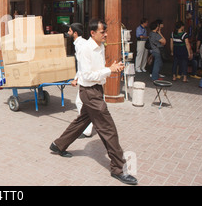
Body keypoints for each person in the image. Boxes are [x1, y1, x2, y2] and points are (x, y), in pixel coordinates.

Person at [49, 19, 137, 185]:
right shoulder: (85, 49)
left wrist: (111, 68)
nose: (105, 34)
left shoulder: (100, 46)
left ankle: (58, 145)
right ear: (92, 33)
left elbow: (93, 71)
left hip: (96, 91)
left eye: (105, 31)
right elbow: (88, 75)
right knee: (108, 129)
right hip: (90, 93)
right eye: (102, 32)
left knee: (81, 122)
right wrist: (108, 70)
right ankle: (118, 169)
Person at [68, 23, 93, 138]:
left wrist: (76, 79)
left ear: (75, 33)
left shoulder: (80, 45)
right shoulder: (81, 43)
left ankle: (87, 129)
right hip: (86, 76)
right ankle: (90, 124)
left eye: (70, 31)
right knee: (83, 102)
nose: (68, 33)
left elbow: (82, 64)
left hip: (86, 77)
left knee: (80, 102)